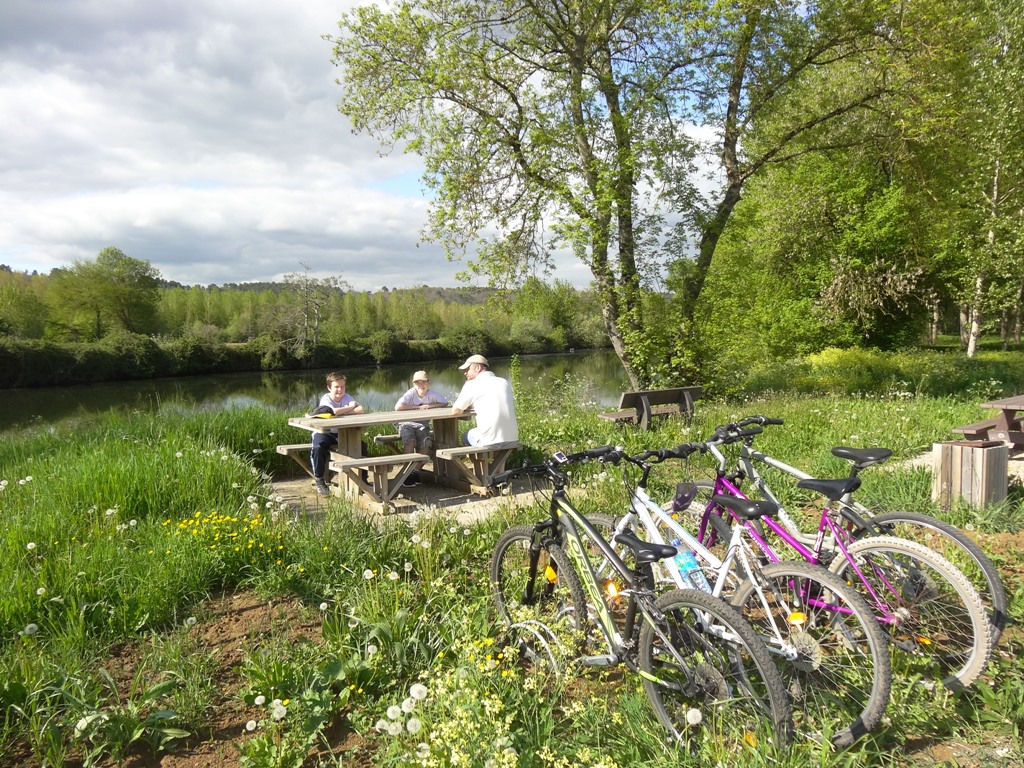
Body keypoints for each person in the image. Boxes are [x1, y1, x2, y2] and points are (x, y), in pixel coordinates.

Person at [310, 372, 364, 497]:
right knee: (318, 448)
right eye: (336, 387)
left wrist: (343, 411)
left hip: (342, 432)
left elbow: (361, 410)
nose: (340, 390)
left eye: (342, 386)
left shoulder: (347, 397)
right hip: (324, 432)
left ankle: (363, 480)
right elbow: (332, 411)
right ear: (329, 387)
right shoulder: (326, 399)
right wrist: (350, 408)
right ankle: (319, 480)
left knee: (361, 446)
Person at [394, 370, 449, 486]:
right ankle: (405, 472)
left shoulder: (432, 394)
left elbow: (445, 403)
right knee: (410, 442)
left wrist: (430, 406)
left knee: (426, 444)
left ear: (429, 383)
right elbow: (398, 407)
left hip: (422, 425)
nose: (421, 385)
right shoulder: (410, 393)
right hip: (405, 423)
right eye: (418, 383)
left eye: (424, 382)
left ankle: (414, 471)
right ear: (413, 384)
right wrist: (418, 407)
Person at [451, 354, 519, 446]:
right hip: (513, 439)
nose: (465, 373)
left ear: (478, 368)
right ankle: (495, 457)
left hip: (489, 441)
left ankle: (479, 456)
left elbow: (455, 411)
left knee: (465, 436)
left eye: (467, 369)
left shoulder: (472, 384)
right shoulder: (503, 382)